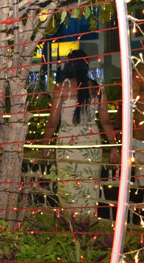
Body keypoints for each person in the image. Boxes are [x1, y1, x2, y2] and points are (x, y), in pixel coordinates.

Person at [41, 49, 118, 216]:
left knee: (68, 183)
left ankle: (70, 222)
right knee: (89, 185)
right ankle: (86, 222)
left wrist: (45, 144)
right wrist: (114, 147)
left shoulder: (62, 88)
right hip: (91, 143)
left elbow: (53, 122)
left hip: (68, 143)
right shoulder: (97, 88)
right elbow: (105, 121)